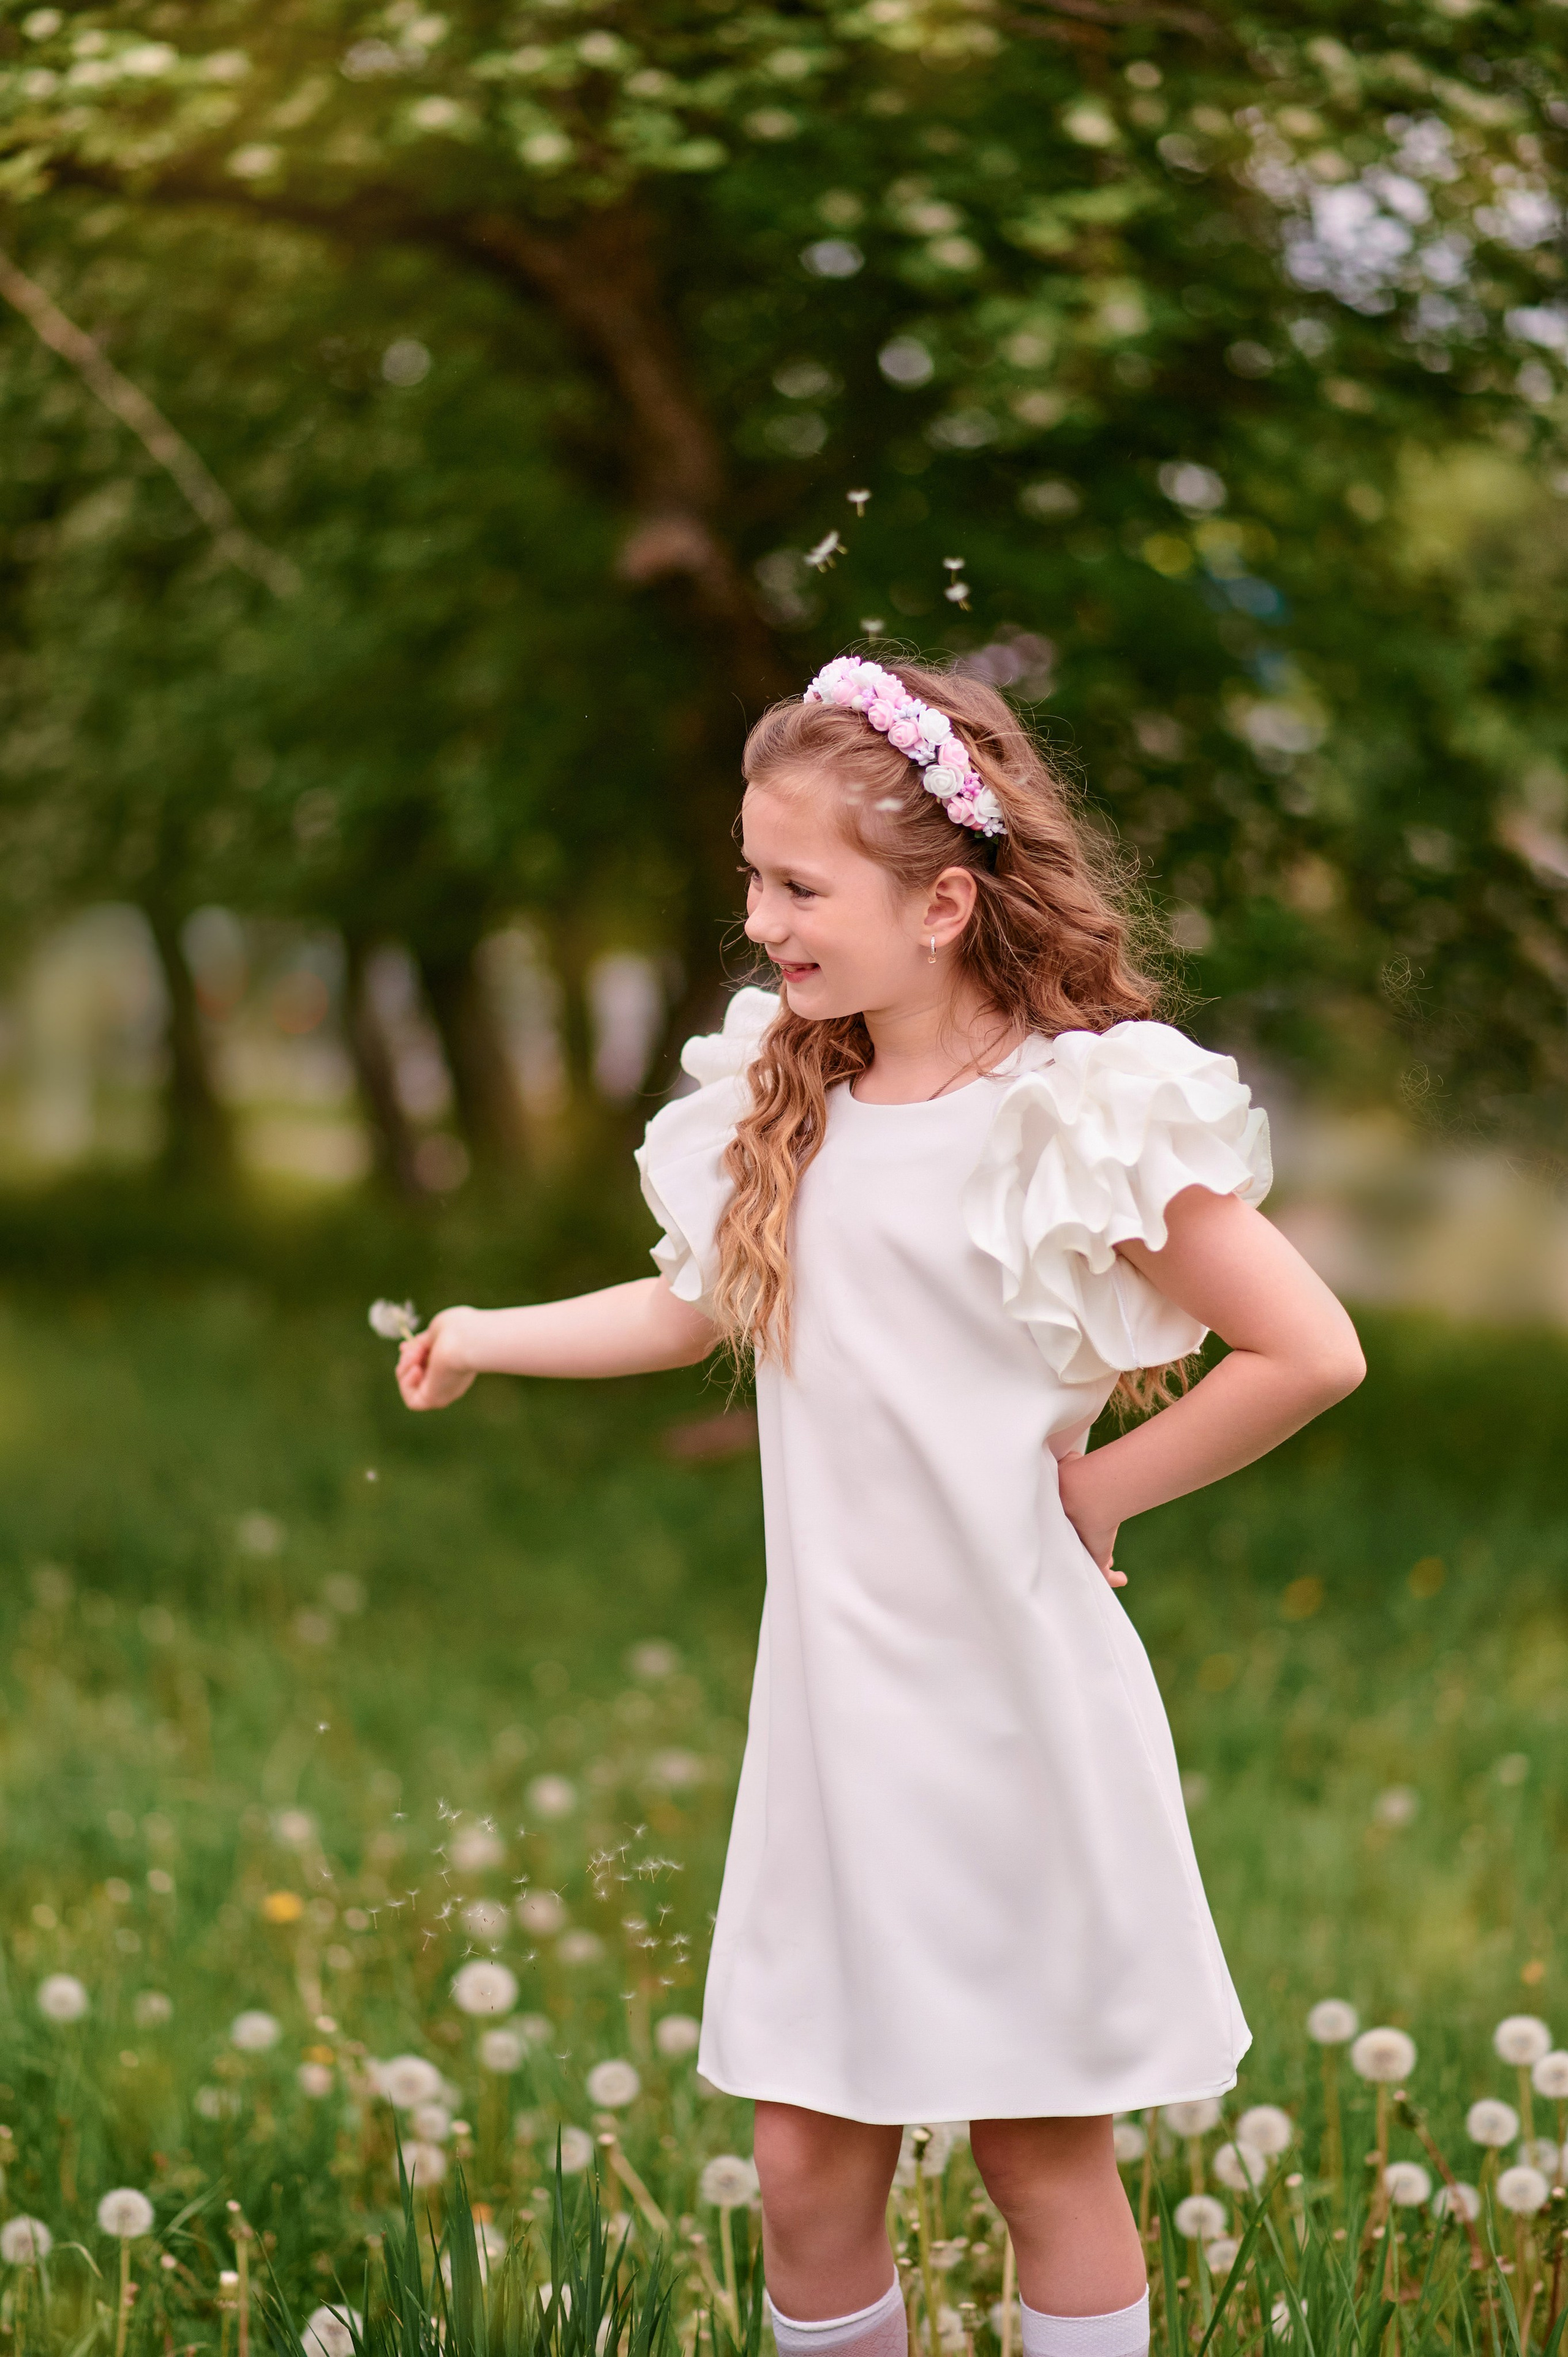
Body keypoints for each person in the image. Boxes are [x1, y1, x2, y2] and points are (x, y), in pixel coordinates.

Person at [395, 656, 1365, 2357]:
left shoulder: (1075, 1111)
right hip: (837, 1720)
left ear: (940, 903)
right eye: (751, 881)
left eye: (797, 885)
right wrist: (485, 1335)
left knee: (1037, 2145)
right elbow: (691, 1305)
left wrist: (1100, 1493)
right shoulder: (791, 1092)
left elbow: (1309, 1346)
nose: (761, 919)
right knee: (802, 2169)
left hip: (1009, 1707)